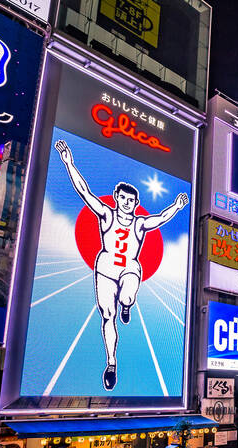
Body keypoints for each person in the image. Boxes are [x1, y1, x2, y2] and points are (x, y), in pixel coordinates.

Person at [55, 140, 189, 391]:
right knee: (107, 315)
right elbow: (85, 192)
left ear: (136, 203)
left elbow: (160, 218)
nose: (127, 202)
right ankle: (112, 362)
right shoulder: (106, 214)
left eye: (131, 200)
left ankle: (127, 304)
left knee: (127, 295)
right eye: (123, 198)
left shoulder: (139, 223)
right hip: (105, 269)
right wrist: (68, 162)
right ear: (117, 198)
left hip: (129, 268)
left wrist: (177, 207)